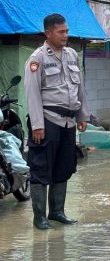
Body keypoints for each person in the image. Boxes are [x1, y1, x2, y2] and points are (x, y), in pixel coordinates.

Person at [24, 13, 89, 230]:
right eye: (61, 32)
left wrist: (82, 115)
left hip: (68, 123)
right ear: (48, 33)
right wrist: (37, 125)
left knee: (64, 167)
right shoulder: (37, 58)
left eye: (67, 31)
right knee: (41, 169)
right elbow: (32, 93)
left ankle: (57, 212)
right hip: (47, 121)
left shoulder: (71, 54)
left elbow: (79, 87)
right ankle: (39, 218)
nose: (65, 35)